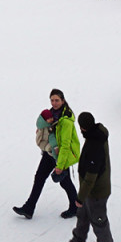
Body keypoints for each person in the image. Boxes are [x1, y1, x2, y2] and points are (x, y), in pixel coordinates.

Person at [60, 112, 116, 242]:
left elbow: (91, 177)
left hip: (96, 192)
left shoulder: (94, 145)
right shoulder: (96, 133)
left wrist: (80, 197)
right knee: (83, 216)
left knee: (99, 222)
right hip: (89, 191)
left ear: (82, 128)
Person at [15, 89, 82, 220]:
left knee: (65, 182)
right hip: (49, 152)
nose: (54, 103)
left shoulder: (66, 120)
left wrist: (60, 165)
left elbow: (65, 144)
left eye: (57, 100)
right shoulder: (51, 114)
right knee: (39, 177)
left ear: (63, 100)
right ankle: (29, 208)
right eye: (52, 100)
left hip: (60, 155)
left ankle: (75, 208)